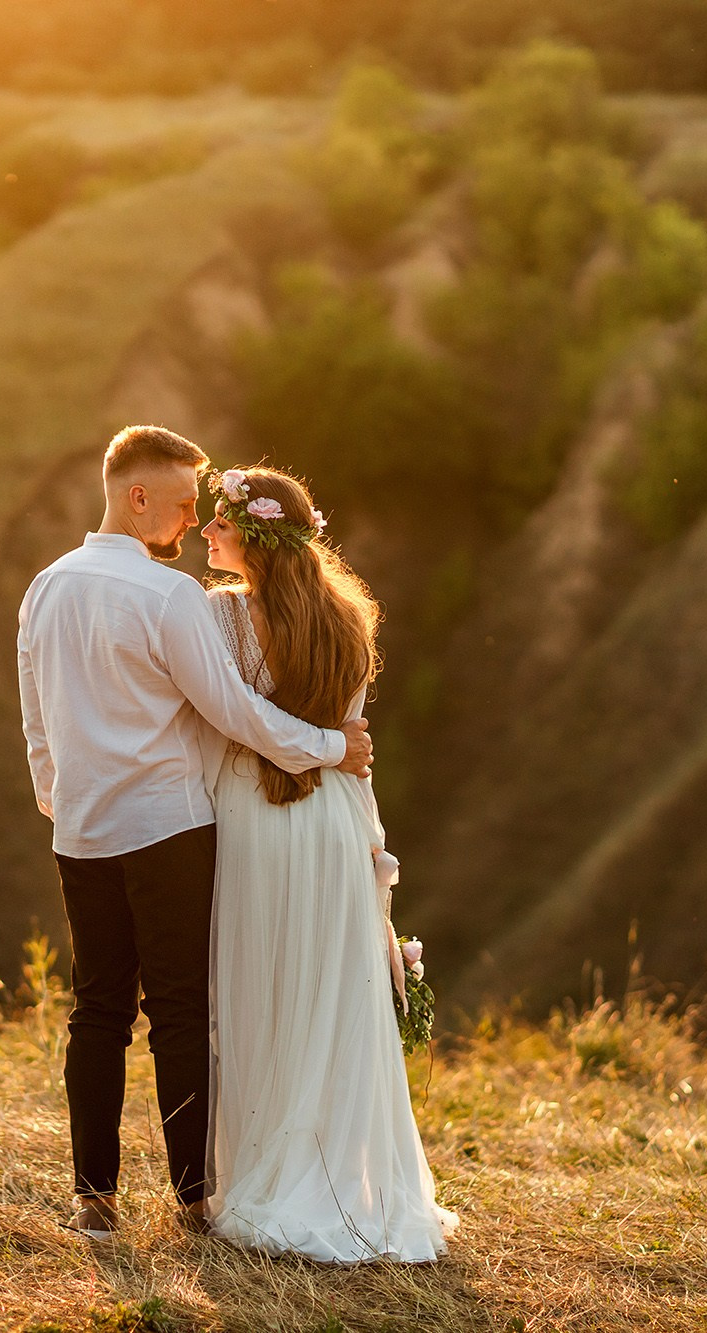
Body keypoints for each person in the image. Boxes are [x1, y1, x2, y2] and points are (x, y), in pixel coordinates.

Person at [16, 426, 375, 1239]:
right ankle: (193, 1202)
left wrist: (61, 798)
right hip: (171, 827)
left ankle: (95, 1201)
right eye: (182, 505)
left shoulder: (46, 585)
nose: (188, 523)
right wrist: (329, 747)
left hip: (82, 830)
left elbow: (35, 716)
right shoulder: (167, 595)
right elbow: (236, 713)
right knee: (179, 1010)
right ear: (137, 497)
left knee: (96, 1012)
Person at [199, 464, 457, 1263]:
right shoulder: (349, 617)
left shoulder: (220, 617)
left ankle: (259, 1170)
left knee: (260, 989)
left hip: (254, 815)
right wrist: (374, 854)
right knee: (329, 995)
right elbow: (355, 747)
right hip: (333, 820)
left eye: (220, 522)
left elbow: (228, 723)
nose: (208, 533)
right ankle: (344, 1179)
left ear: (255, 538)